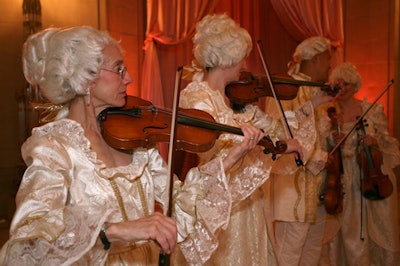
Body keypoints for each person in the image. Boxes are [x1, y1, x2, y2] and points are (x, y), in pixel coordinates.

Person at [0, 25, 273, 265]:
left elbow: (179, 203)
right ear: (86, 79)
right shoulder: (54, 148)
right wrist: (116, 230)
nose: (129, 78)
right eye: (119, 69)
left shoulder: (137, 142)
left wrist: (230, 159)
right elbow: (30, 241)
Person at [173, 14, 333, 266]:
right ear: (229, 59)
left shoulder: (236, 100)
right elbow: (222, 144)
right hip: (222, 206)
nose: (244, 65)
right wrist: (268, 144)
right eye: (241, 58)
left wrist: (311, 106)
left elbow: (277, 130)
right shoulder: (197, 96)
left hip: (249, 205)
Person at [319, 62, 400, 265]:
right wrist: (331, 142)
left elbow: (389, 143)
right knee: (345, 230)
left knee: (375, 228)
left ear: (355, 86)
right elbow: (319, 149)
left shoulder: (371, 111)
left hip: (368, 174)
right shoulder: (326, 114)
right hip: (341, 178)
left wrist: (375, 141)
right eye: (338, 84)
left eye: (346, 84)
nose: (342, 88)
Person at [263, 36, 334, 266]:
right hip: (292, 191)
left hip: (318, 192)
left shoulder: (318, 90)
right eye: (327, 59)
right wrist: (320, 158)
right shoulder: (288, 86)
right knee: (288, 257)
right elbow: (278, 134)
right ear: (314, 59)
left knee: (311, 255)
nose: (330, 65)